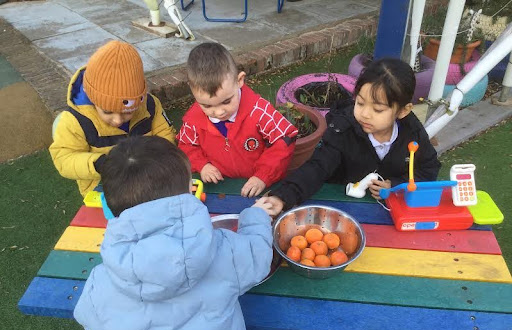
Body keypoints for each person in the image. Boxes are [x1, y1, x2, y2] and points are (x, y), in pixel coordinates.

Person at [73, 136, 274, 330]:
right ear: (187, 190)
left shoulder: (102, 281)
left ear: (112, 202)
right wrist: (255, 217)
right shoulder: (223, 249)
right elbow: (258, 256)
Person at [266, 57, 441, 215]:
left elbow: (428, 169)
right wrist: (282, 197)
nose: (365, 114)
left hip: (389, 214)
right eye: (360, 102)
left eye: (378, 109)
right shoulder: (343, 129)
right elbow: (318, 167)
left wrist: (395, 185)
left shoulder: (413, 134)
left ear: (403, 110)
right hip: (340, 207)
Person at [49, 40, 175, 196]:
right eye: (108, 112)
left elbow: (165, 133)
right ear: (93, 99)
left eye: (128, 112)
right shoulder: (73, 121)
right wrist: (99, 164)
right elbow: (64, 160)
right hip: (103, 190)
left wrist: (159, 156)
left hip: (148, 181)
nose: (118, 120)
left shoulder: (150, 105)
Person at [178, 42, 298, 198]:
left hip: (259, 188)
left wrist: (263, 175)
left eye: (226, 101)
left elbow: (284, 139)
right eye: (207, 105)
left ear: (239, 80)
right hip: (220, 189)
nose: (219, 112)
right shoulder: (193, 120)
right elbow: (186, 145)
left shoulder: (259, 111)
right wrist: (202, 165)